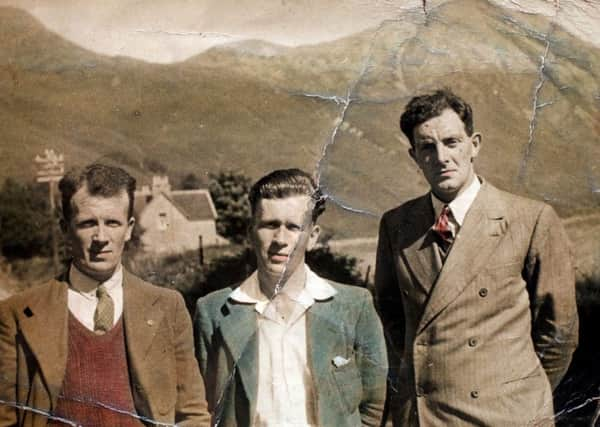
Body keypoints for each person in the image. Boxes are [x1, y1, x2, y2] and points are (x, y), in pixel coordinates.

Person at [374, 89, 579, 426]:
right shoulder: (397, 225)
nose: (441, 157)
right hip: (426, 416)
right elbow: (393, 317)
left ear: (475, 145)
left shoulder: (530, 219)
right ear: (414, 157)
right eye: (427, 147)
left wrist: (517, 393)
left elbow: (560, 332)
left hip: (506, 416)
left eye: (452, 142)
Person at [0, 163, 210, 427]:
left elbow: (192, 414)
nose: (101, 237)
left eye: (112, 222)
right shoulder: (18, 313)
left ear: (129, 227)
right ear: (66, 228)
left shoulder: (168, 307)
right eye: (88, 224)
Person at [194, 168, 388, 427]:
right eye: (270, 225)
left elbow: (375, 403)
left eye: (293, 227)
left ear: (312, 237)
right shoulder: (214, 311)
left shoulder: (354, 306)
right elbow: (202, 409)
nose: (280, 239)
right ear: (251, 232)